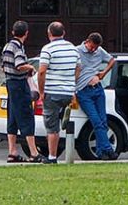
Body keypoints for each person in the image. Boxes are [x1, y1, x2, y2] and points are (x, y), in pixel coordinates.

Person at [37, 21, 79, 163]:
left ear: (49, 34)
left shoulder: (47, 49)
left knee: (51, 126)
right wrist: (71, 82)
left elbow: (42, 71)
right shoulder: (73, 49)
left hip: (52, 91)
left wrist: (41, 91)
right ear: (64, 33)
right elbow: (79, 67)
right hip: (68, 92)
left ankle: (52, 156)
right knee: (64, 122)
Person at [0, 20, 42, 163]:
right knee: (26, 116)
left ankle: (12, 152)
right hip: (19, 85)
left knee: (12, 118)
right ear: (26, 34)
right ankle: (34, 153)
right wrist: (30, 68)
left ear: (13, 32)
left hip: (10, 84)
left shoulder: (7, 46)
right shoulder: (18, 47)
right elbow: (19, 65)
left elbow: (3, 66)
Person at [75, 32, 118, 160]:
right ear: (87, 41)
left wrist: (104, 73)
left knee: (103, 121)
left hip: (97, 89)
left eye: (95, 48)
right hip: (83, 91)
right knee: (96, 120)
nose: (93, 50)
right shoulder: (77, 51)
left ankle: (101, 152)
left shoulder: (99, 51)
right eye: (91, 47)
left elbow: (112, 60)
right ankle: (108, 149)